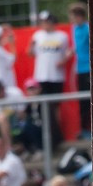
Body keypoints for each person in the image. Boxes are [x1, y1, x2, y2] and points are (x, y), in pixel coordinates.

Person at [28, 11, 70, 148]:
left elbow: (68, 52)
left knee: (55, 107)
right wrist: (30, 45)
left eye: (46, 21)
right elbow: (30, 53)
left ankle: (56, 134)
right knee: (42, 107)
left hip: (56, 76)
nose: (43, 24)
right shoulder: (38, 35)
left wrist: (63, 60)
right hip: (41, 75)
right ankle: (46, 134)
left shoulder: (62, 36)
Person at [69, 1, 91, 137]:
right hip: (79, 70)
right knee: (82, 101)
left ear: (80, 16)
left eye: (73, 16)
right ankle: (84, 129)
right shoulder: (74, 29)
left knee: (90, 101)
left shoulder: (88, 28)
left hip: (89, 69)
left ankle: (91, 129)